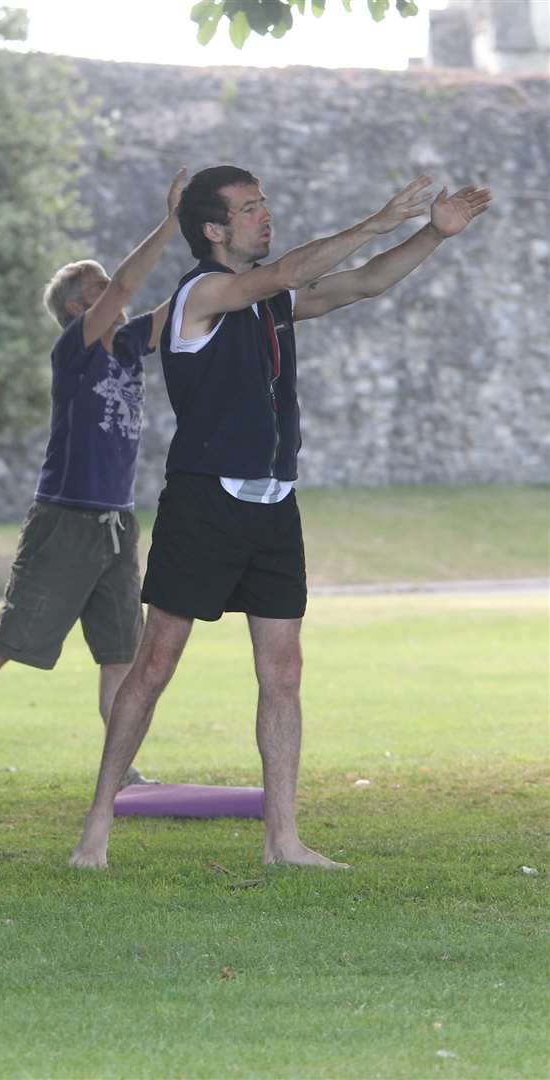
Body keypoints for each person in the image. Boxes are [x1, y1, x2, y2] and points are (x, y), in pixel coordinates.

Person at [69, 166, 491, 871]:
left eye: (265, 205)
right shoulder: (201, 293)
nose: (265, 217)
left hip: (272, 503)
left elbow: (359, 284)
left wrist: (429, 236)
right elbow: (286, 271)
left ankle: (283, 840)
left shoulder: (270, 303)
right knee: (154, 666)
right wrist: (374, 221)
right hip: (204, 501)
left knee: (284, 672)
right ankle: (96, 830)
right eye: (249, 209)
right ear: (213, 229)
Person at [0, 169, 187, 797]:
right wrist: (170, 222)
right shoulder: (74, 350)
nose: (116, 291)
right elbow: (135, 282)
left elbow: (182, 309)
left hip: (116, 524)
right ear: (79, 308)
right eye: (100, 286)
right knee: (7, 642)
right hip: (64, 523)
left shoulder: (131, 346)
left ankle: (121, 772)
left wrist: (229, 269)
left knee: (119, 656)